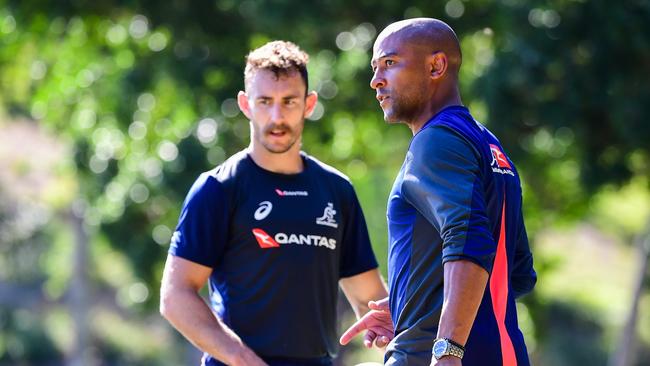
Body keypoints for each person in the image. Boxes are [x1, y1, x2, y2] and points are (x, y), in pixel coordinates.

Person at [159, 40, 389, 366]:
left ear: (309, 104)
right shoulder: (219, 188)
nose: (277, 116)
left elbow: (371, 301)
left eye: (289, 101)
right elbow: (175, 296)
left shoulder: (337, 190)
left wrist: (412, 332)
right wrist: (240, 357)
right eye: (265, 101)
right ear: (245, 104)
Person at [340, 18, 537, 366]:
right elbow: (515, 273)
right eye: (374, 68)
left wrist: (447, 350)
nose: (375, 81)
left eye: (389, 63)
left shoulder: (436, 140)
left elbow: (468, 243)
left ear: (436, 66)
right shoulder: (490, 146)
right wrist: (412, 306)